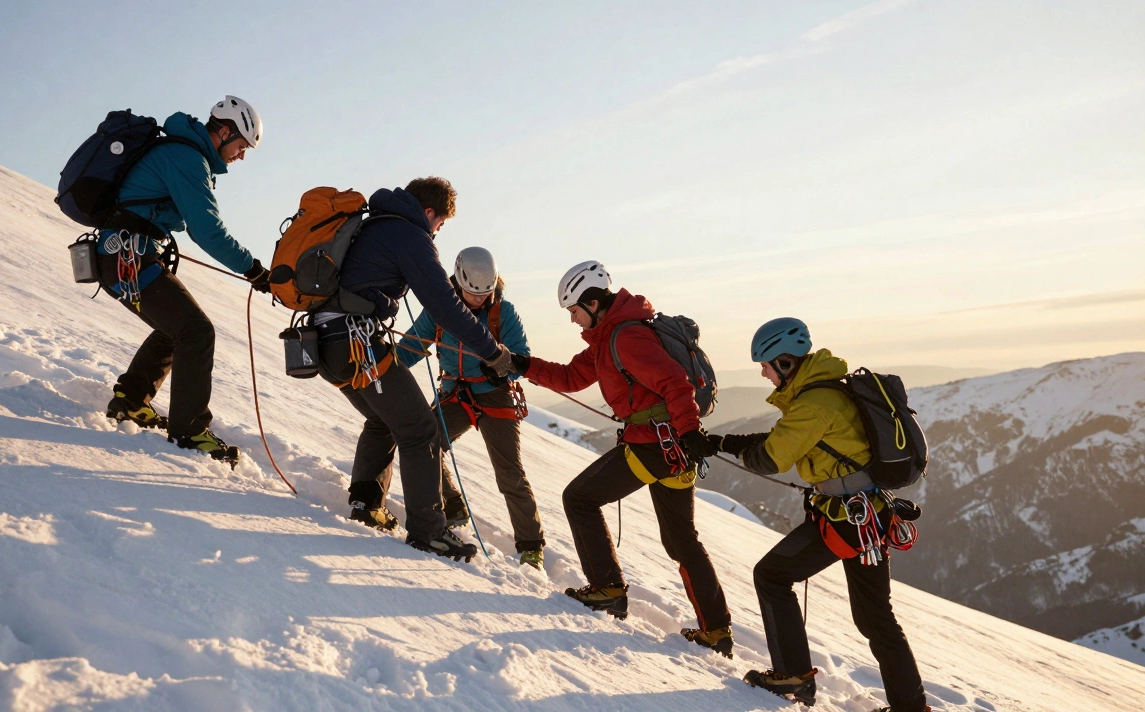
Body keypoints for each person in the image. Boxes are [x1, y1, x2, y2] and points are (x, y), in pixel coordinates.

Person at [508, 261, 734, 656]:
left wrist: (689, 429)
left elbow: (674, 383)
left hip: (654, 446)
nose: (573, 319)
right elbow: (570, 378)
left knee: (579, 498)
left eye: (575, 311)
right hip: (673, 450)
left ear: (593, 303)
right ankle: (716, 631)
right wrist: (523, 365)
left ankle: (608, 589)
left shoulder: (626, 338)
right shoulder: (609, 338)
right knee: (682, 539)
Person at [721, 318, 928, 711]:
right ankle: (910, 707)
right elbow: (786, 440)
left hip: (845, 520)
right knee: (876, 620)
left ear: (784, 362)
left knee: (772, 575)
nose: (763, 374)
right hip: (867, 517)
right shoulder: (828, 391)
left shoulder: (815, 403)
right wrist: (725, 440)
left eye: (765, 365)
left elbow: (770, 457)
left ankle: (793, 677)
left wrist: (725, 445)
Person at [316, 177, 513, 561]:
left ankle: (366, 503)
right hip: (355, 344)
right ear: (428, 212)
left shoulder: (374, 223)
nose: (438, 231)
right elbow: (446, 305)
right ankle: (429, 531)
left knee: (384, 418)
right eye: (441, 223)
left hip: (327, 344)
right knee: (421, 429)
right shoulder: (411, 236)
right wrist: (491, 351)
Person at [100, 96, 271, 466]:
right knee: (196, 331)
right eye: (241, 146)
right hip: (125, 257)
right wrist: (253, 269)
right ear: (224, 131)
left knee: (176, 329)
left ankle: (130, 401)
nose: (241, 156)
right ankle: (189, 430)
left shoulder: (185, 153)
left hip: (125, 254)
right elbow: (207, 230)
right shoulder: (187, 157)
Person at [395, 247, 546, 568]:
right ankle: (453, 507)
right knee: (426, 444)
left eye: (485, 293)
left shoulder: (503, 313)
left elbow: (520, 356)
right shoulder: (439, 311)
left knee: (509, 471)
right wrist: (385, 365)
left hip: (495, 395)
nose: (479, 299)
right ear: (458, 282)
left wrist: (503, 365)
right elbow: (410, 348)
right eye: (472, 294)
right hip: (456, 393)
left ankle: (531, 544)